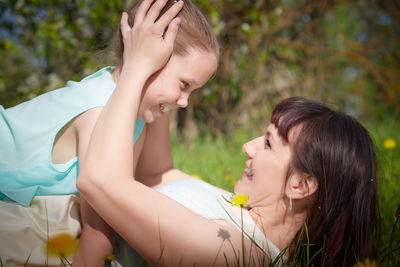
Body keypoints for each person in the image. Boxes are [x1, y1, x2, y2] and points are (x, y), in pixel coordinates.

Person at [76, 2, 379, 265]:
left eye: (269, 144)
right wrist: (162, 76)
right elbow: (156, 173)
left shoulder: (236, 254)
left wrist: (137, 66)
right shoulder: (237, 209)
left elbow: (99, 182)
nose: (248, 147)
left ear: (300, 185)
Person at [0, 0, 219, 266]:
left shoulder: (132, 112)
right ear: (146, 56)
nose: (184, 102)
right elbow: (97, 234)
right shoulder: (99, 110)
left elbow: (150, 177)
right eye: (184, 84)